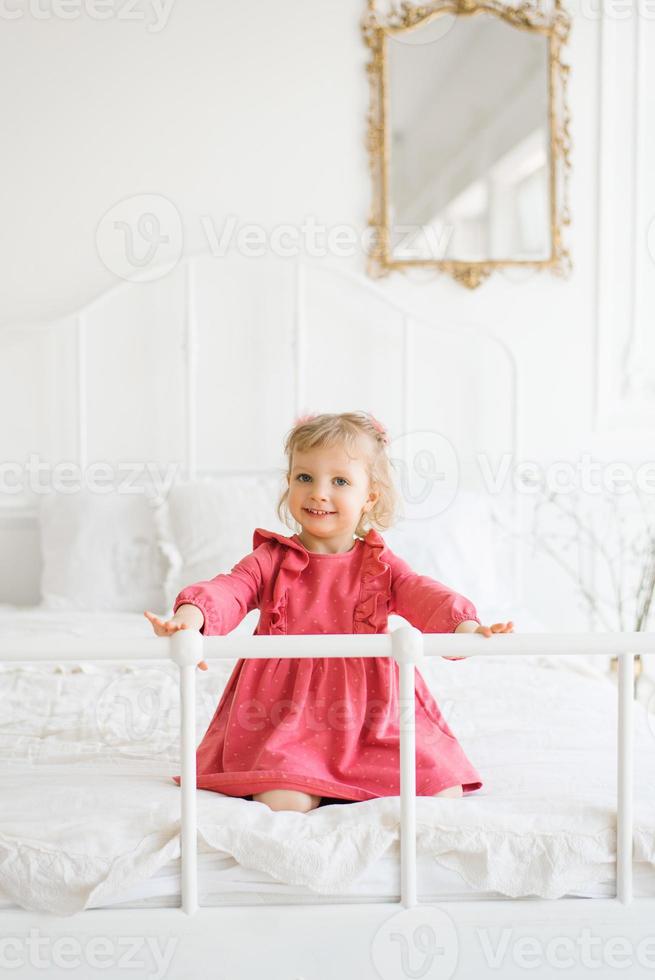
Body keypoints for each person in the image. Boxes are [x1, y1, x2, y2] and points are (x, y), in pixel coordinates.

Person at [144, 411, 513, 813]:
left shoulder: (379, 563)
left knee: (442, 791)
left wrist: (464, 623)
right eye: (305, 478)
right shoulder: (272, 559)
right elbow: (230, 589)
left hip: (372, 714)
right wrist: (192, 617)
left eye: (339, 481)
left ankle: (354, 778)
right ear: (289, 484)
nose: (319, 492)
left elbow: (420, 592)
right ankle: (302, 783)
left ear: (368, 496)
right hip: (286, 716)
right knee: (285, 800)